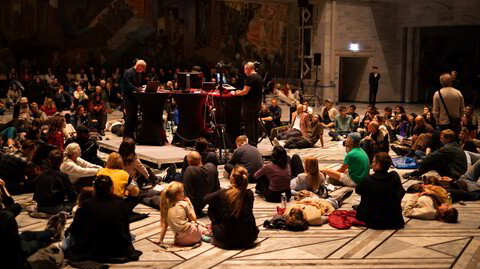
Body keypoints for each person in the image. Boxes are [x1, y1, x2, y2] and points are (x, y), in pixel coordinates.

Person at [66, 175, 142, 263]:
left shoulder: (87, 204)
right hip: (117, 247)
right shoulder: (120, 203)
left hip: (93, 248)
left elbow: (75, 228)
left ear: (94, 188)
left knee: (69, 234)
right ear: (111, 188)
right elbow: (125, 225)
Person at [205, 165, 259, 249]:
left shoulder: (223, 193)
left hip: (228, 239)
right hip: (249, 237)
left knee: (212, 208)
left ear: (232, 179)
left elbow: (206, 199)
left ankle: (215, 235)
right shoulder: (249, 193)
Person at [355, 153, 405, 229]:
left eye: (373, 162)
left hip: (374, 221)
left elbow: (358, 190)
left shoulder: (368, 179)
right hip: (394, 220)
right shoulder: (394, 176)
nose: (372, 164)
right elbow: (401, 191)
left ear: (378, 165)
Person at [157, 182, 210, 246]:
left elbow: (165, 226)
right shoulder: (183, 204)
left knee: (190, 224)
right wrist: (190, 205)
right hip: (193, 234)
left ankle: (201, 236)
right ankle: (204, 235)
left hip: (181, 241)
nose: (184, 193)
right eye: (182, 191)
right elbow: (194, 218)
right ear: (177, 195)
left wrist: (161, 240)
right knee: (198, 225)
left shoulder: (166, 207)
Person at [403, 129, 467, 180]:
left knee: (432, 160)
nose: (440, 140)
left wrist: (421, 161)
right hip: (459, 173)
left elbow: (432, 156)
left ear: (448, 139)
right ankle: (416, 173)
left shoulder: (447, 148)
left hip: (454, 176)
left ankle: (415, 174)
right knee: (429, 157)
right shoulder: (455, 145)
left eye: (442, 138)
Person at [33, 149, 77, 214]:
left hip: (40, 206)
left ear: (49, 161)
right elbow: (73, 195)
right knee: (78, 202)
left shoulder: (43, 173)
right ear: (62, 161)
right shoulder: (62, 175)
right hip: (55, 207)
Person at [233, 62, 263, 146]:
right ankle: (255, 143)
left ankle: (251, 144)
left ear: (249, 68)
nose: (244, 71)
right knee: (255, 124)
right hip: (257, 104)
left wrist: (235, 93)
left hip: (249, 104)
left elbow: (245, 91)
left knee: (249, 124)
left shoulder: (250, 77)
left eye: (245, 69)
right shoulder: (259, 77)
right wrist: (241, 91)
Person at [183, 151, 220, 215]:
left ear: (188, 161)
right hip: (205, 203)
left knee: (163, 196)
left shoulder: (190, 170)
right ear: (201, 158)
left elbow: (187, 194)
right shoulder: (212, 167)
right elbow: (217, 189)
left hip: (193, 208)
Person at [123, 59, 146, 139]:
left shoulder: (137, 74)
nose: (143, 71)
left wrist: (141, 88)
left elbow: (136, 85)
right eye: (143, 68)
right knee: (129, 118)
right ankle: (126, 136)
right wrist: (138, 89)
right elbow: (128, 85)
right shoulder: (128, 72)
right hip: (128, 99)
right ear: (139, 66)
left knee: (134, 118)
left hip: (134, 99)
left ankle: (131, 135)